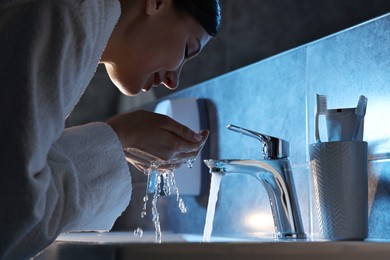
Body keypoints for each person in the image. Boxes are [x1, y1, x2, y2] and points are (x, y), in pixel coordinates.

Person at [0, 0, 221, 258]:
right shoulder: (68, 12)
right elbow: (17, 204)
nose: (174, 80)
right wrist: (118, 135)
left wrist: (120, 135)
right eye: (186, 49)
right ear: (157, 3)